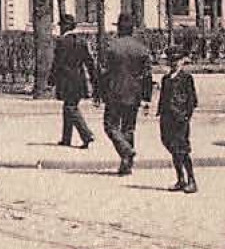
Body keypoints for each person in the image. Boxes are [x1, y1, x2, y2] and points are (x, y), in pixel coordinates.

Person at [100, 17, 154, 176]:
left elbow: (104, 73)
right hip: (134, 93)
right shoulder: (142, 49)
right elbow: (147, 75)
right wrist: (146, 97)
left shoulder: (111, 48)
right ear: (132, 29)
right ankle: (127, 164)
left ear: (119, 29)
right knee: (129, 128)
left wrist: (100, 93)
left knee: (110, 126)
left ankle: (126, 150)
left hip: (114, 92)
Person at [47, 15, 97, 149]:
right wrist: (94, 80)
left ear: (65, 27)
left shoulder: (62, 42)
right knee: (68, 107)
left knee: (70, 107)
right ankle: (66, 138)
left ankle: (86, 134)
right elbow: (89, 62)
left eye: (61, 26)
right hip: (79, 79)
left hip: (67, 80)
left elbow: (57, 63)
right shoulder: (81, 41)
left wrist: (51, 79)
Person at [157, 47, 199, 194]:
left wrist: (186, 115)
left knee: (182, 149)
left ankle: (191, 180)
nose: (174, 63)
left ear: (182, 61)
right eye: (171, 60)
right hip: (166, 117)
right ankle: (180, 179)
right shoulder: (166, 79)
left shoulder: (186, 78)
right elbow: (163, 97)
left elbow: (192, 99)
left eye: (177, 60)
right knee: (170, 145)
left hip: (180, 118)